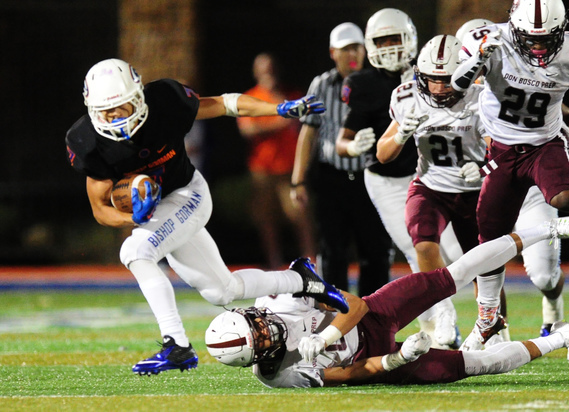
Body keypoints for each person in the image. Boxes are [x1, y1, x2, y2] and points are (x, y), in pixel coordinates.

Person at [65, 58, 348, 376]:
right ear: (92, 109)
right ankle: (303, 280)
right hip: (158, 213)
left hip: (188, 195)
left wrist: (277, 109)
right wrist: (132, 219)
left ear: (139, 96)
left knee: (135, 251)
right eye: (107, 111)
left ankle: (177, 346)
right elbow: (100, 209)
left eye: (124, 106)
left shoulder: (165, 102)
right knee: (222, 291)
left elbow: (225, 104)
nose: (117, 117)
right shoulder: (86, 142)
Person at [205, 215, 569, 388]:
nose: (265, 327)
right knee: (476, 365)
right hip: (371, 360)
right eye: (260, 337)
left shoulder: (276, 297)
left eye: (255, 321)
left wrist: (329, 331)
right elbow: (350, 376)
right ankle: (567, 338)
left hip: (368, 317)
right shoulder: (275, 374)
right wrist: (395, 362)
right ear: (258, 355)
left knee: (452, 277)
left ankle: (547, 228)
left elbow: (354, 303)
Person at [451, 0, 569, 347]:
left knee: (562, 204)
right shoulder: (487, 50)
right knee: (489, 243)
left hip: (543, 145)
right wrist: (478, 59)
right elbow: (457, 85)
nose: (538, 47)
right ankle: (488, 320)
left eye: (546, 38)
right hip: (502, 157)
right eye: (530, 39)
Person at [335, 8, 461, 348]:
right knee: (414, 248)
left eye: (396, 39)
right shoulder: (361, 84)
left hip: (432, 175)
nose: (390, 47)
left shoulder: (431, 71)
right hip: (386, 180)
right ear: (370, 46)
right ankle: (438, 321)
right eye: (382, 41)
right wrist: (351, 147)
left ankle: (485, 319)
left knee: (457, 251)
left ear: (411, 40)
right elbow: (341, 140)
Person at [376, 34, 488, 349]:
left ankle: (492, 326)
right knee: (423, 245)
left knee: (484, 264)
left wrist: (484, 168)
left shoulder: (481, 98)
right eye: (432, 79)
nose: (438, 87)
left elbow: (502, 150)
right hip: (431, 187)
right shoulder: (406, 97)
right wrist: (400, 136)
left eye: (447, 79)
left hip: (474, 189)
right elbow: (383, 154)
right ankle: (442, 314)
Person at [290, 23, 394, 297]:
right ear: (332, 52)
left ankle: (374, 314)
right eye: (346, 48)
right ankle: (337, 315)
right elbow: (309, 133)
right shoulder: (322, 84)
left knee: (375, 249)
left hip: (371, 177)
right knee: (332, 250)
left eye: (356, 47)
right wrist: (298, 181)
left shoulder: (378, 81)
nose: (352, 53)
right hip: (332, 178)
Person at [237, 52, 314, 269]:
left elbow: (302, 124)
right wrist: (281, 122)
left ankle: (312, 261)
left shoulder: (289, 96)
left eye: (270, 68)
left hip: (289, 168)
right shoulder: (249, 97)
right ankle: (274, 262)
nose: (267, 73)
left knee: (300, 215)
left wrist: (280, 106)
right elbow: (248, 130)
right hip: (262, 169)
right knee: (266, 220)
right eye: (263, 69)